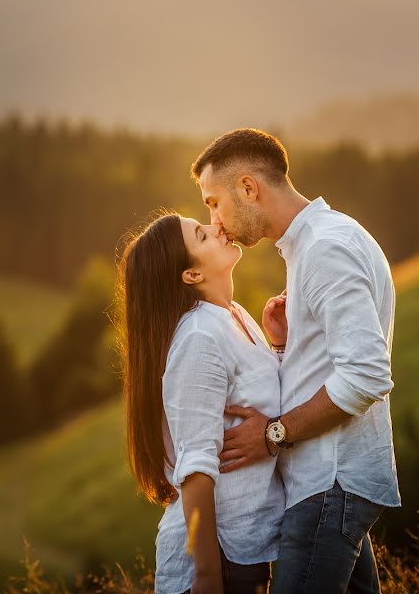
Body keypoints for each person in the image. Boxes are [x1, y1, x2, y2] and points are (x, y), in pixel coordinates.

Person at [190, 128, 401, 593]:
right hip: (325, 483)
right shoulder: (317, 243)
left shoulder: (326, 248)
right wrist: (288, 345)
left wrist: (273, 433)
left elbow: (367, 374)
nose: (215, 221)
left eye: (213, 202)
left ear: (248, 188)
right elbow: (340, 363)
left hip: (330, 482)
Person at [117, 211, 285, 594]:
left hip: (248, 548)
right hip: (218, 561)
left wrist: (278, 345)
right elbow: (195, 467)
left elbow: (258, 400)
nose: (217, 227)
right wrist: (206, 576)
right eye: (202, 235)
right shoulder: (199, 337)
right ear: (191, 275)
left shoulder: (234, 315)